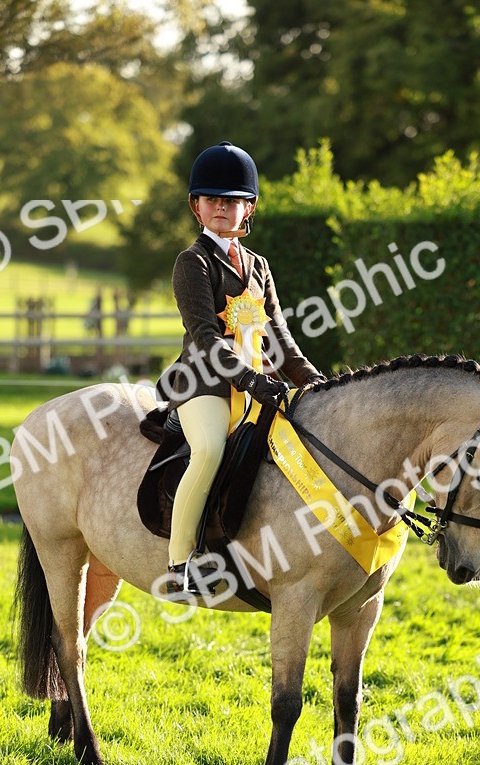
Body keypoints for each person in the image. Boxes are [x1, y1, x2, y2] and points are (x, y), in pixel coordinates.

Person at [157, 140, 325, 596]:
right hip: (204, 384)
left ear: (248, 207)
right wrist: (251, 380)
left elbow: (280, 339)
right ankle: (179, 562)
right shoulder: (192, 263)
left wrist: (317, 384)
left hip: (256, 386)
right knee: (209, 449)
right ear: (196, 206)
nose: (221, 208)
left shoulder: (258, 266)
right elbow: (206, 339)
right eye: (212, 199)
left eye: (232, 201)